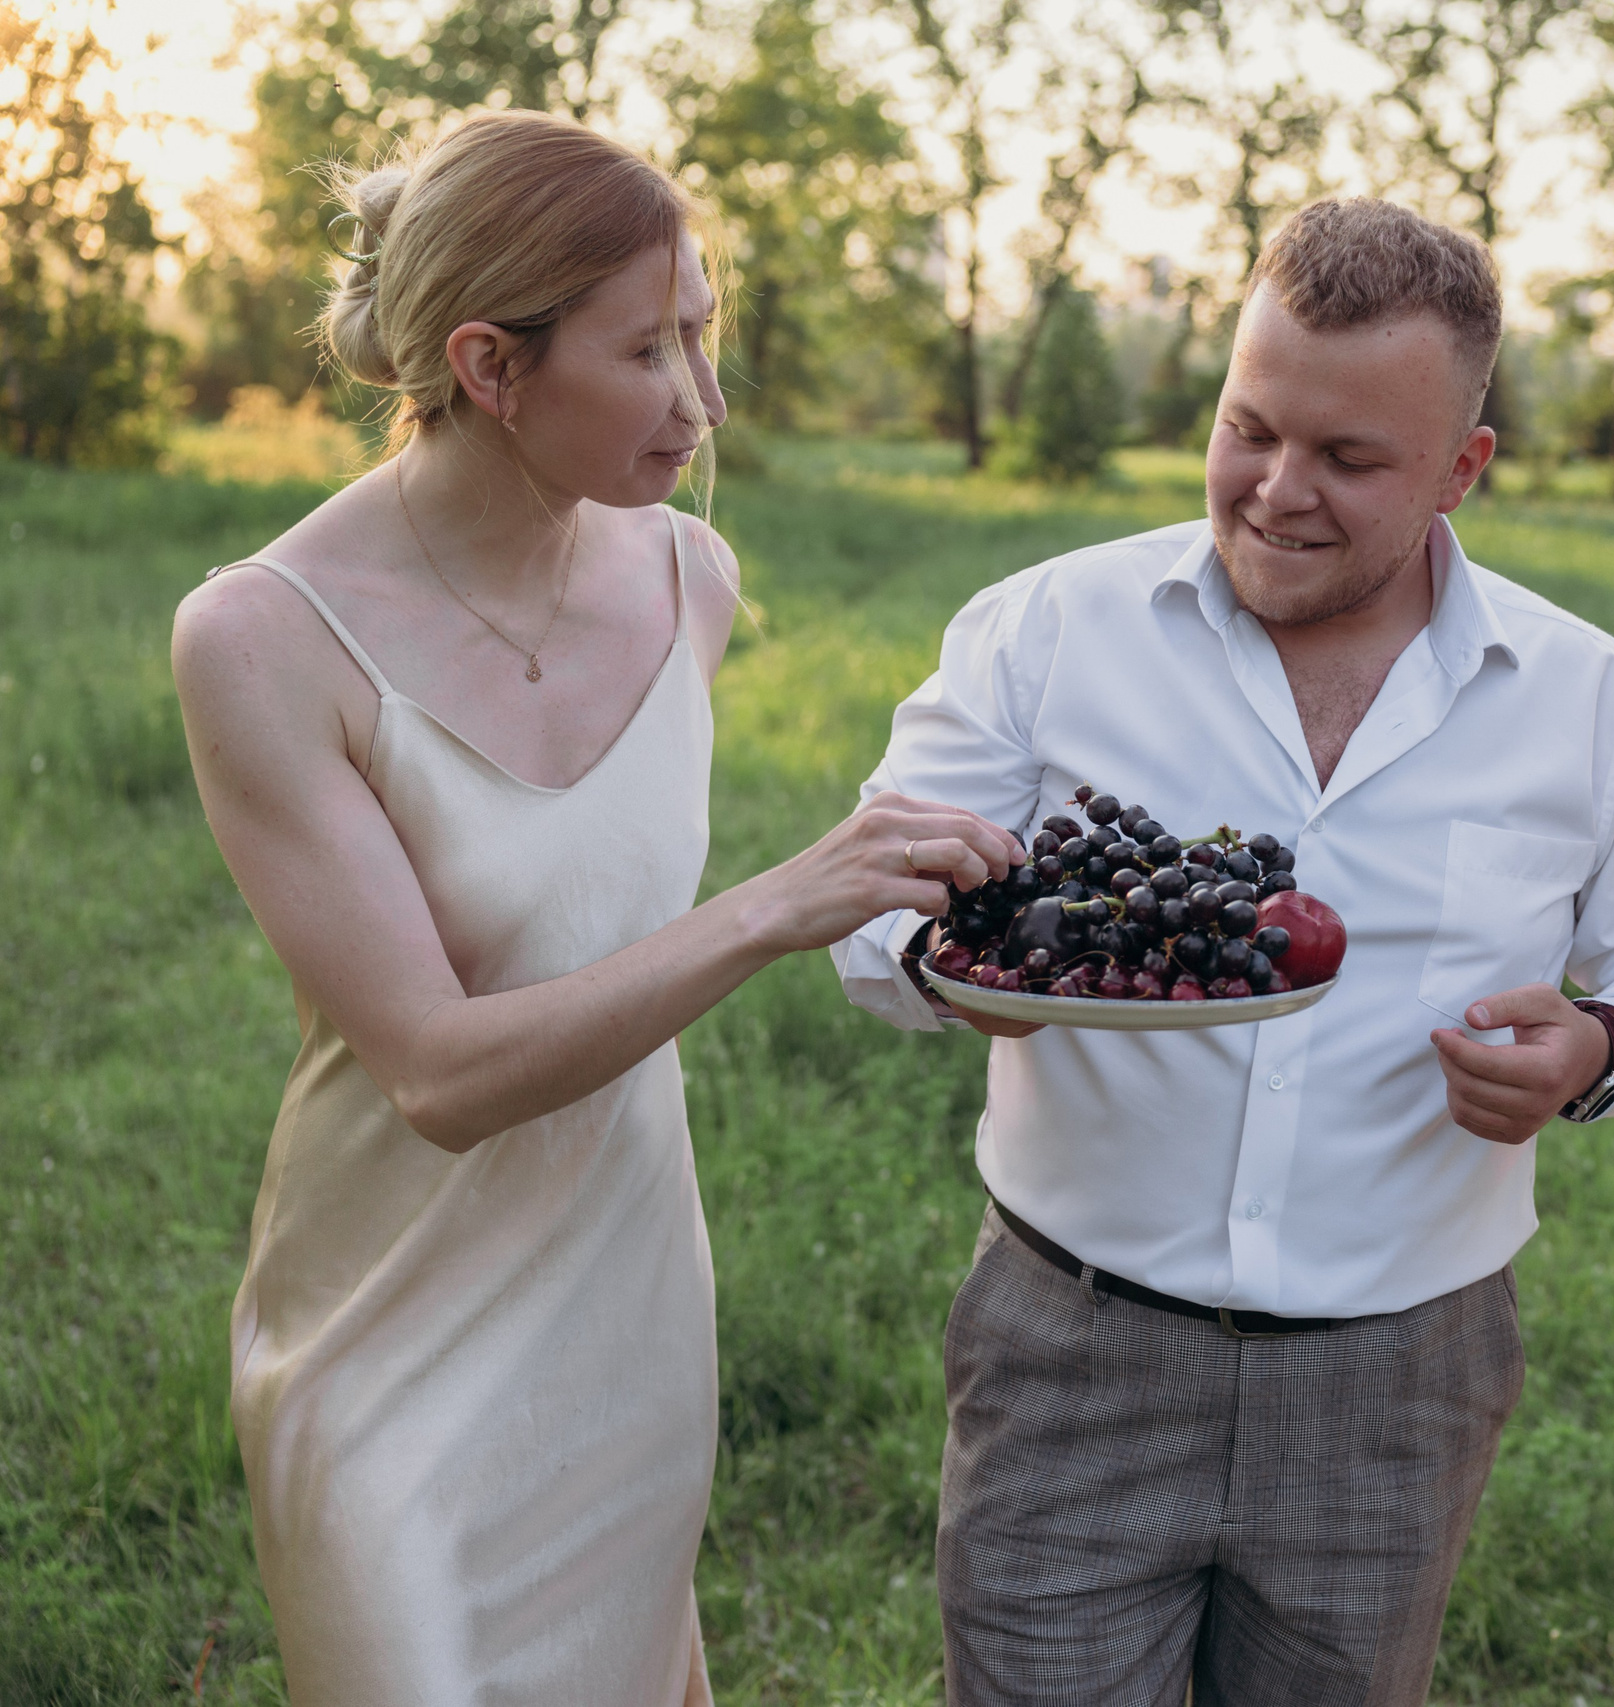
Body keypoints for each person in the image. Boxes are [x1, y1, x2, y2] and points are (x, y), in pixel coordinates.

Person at [831, 197, 1614, 1704]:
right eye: (1250, 429)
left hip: (1400, 1382)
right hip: (1075, 1348)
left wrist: (1602, 1048)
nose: (1276, 490)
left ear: (1465, 470)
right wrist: (956, 967)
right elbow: (872, 895)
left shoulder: (1586, 699)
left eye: (1349, 459)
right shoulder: (1047, 629)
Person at [170, 112, 1016, 1706]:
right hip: (388, 1324)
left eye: (700, 330)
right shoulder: (261, 639)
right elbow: (439, 1074)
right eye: (646, 351)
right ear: (490, 365)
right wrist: (779, 904)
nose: (699, 400)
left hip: (626, 1303)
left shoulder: (690, 578)